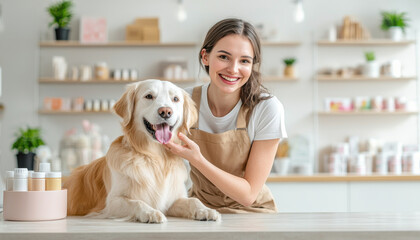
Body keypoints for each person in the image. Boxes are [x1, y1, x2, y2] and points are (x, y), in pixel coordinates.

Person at [165, 18, 287, 213]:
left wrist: (198, 160)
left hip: (253, 213)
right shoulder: (182, 101)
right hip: (199, 210)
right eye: (224, 57)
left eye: (244, 61)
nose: (233, 69)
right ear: (205, 57)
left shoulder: (266, 108)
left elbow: (248, 195)